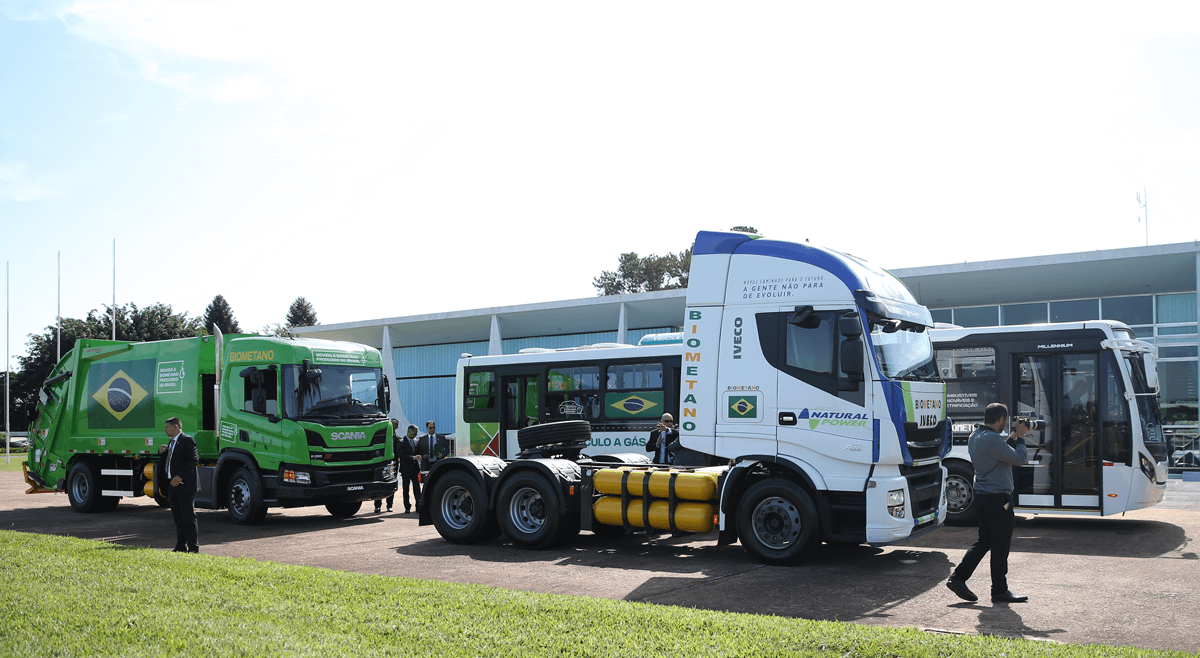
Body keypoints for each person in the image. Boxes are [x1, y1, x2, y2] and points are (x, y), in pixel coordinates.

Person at [946, 402, 1030, 604]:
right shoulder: (992, 439)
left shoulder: (976, 436)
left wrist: (1013, 436)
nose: (1005, 425)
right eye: (1005, 422)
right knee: (1000, 546)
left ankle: (958, 578)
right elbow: (1019, 459)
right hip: (998, 498)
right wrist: (1022, 438)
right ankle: (999, 590)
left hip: (983, 497)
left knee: (984, 541)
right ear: (1000, 420)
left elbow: (1000, 451)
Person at [159, 417, 199, 553]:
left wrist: (180, 475)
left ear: (176, 427)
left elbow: (194, 460)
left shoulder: (187, 440)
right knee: (177, 517)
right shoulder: (171, 442)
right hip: (172, 485)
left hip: (184, 485)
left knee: (188, 516)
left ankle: (193, 547)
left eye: (167, 427)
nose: (165, 430)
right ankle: (180, 546)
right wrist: (162, 452)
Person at [375, 418, 402, 513]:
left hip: (393, 464)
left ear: (396, 427)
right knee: (379, 484)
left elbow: (400, 453)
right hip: (382, 463)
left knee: (391, 485)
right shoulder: (383, 437)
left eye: (394, 424)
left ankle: (389, 505)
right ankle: (377, 505)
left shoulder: (398, 438)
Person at [395, 423, 422, 513]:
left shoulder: (416, 441)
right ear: (409, 431)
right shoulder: (401, 441)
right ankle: (407, 507)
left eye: (416, 433)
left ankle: (418, 506)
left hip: (415, 469)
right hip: (406, 470)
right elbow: (401, 455)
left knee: (417, 488)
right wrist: (413, 457)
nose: (415, 435)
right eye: (414, 433)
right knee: (406, 489)